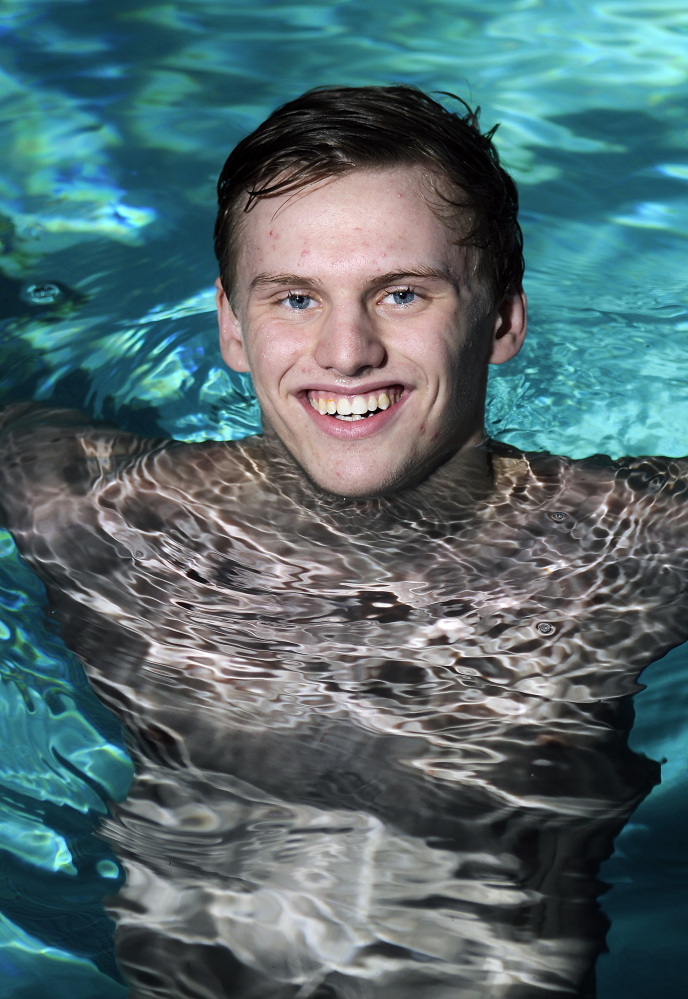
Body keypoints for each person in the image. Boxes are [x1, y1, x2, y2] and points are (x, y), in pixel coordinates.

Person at [0, 86, 683, 999]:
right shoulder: (105, 519)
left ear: (505, 319)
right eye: (295, 298)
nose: (347, 350)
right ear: (233, 329)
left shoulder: (634, 543)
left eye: (403, 293)